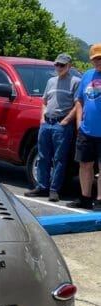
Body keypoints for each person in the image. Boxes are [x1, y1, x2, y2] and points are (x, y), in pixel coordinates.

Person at [25, 53, 80, 202]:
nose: (59, 67)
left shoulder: (75, 82)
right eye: (57, 64)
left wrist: (67, 120)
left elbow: (77, 105)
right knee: (43, 156)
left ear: (69, 66)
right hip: (46, 123)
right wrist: (42, 118)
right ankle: (42, 187)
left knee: (59, 158)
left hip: (61, 125)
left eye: (62, 65)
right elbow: (44, 102)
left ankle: (54, 190)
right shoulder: (50, 81)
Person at [66, 43, 101, 211]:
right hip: (86, 130)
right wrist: (79, 122)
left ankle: (100, 200)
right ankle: (85, 198)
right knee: (85, 164)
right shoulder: (87, 76)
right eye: (95, 59)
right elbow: (79, 100)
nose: (98, 62)